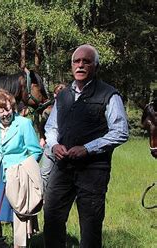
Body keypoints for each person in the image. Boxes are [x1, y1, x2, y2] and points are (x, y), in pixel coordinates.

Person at [43, 44, 129, 247]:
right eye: (76, 61)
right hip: (62, 168)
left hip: (93, 171)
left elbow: (120, 131)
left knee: (90, 227)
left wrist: (88, 148)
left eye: (86, 61)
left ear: (96, 67)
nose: (80, 65)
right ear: (72, 65)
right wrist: (54, 145)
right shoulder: (63, 95)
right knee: (52, 218)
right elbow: (51, 127)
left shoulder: (109, 94)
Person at [0, 89, 42, 247]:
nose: (5, 114)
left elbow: (36, 151)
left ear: (13, 108)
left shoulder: (24, 124)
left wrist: (24, 168)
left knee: (16, 214)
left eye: (8, 109)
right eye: (1, 111)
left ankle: (19, 244)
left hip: (16, 177)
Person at [39, 83, 66, 191]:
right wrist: (42, 138)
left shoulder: (71, 107)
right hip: (50, 144)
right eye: (55, 94)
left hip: (65, 145)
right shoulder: (48, 110)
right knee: (44, 173)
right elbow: (42, 125)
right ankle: (43, 197)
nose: (56, 96)